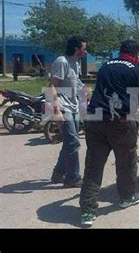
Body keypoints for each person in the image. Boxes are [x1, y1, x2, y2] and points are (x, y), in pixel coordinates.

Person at [79, 40, 139, 227]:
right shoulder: (137, 70)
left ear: (120, 53)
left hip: (95, 120)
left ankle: (87, 211)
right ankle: (127, 197)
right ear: (137, 55)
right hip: (121, 122)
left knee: (93, 166)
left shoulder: (105, 66)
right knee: (126, 162)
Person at [49, 36, 88, 188]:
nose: (86, 51)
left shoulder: (75, 63)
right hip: (63, 107)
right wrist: (56, 111)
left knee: (69, 143)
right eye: (84, 48)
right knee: (73, 142)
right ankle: (72, 177)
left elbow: (76, 83)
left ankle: (58, 174)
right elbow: (52, 86)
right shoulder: (62, 61)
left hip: (74, 106)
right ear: (76, 48)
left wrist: (86, 91)